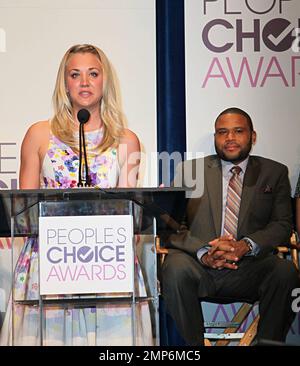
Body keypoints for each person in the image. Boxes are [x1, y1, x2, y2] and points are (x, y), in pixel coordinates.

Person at [0, 44, 152, 345]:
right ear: (65, 84)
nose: (84, 82)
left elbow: (129, 215)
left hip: (107, 262)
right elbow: (22, 210)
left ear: (104, 81)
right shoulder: (39, 134)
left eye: (93, 73)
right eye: (75, 74)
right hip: (48, 260)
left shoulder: (127, 139)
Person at [162, 107, 300, 346]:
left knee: (284, 272)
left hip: (250, 268)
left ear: (252, 136)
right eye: (222, 132)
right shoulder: (191, 170)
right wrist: (205, 252)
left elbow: (282, 224)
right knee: (174, 267)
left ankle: (269, 343)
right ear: (215, 137)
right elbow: (172, 227)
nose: (230, 138)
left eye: (238, 131)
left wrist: (245, 246)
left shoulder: (274, 172)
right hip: (199, 267)